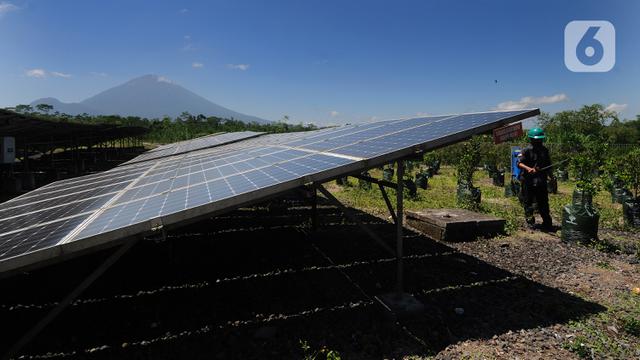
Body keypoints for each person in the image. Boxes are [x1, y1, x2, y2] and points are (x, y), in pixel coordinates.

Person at [517, 128, 554, 230]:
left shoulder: (544, 150)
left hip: (541, 181)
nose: (538, 142)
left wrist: (552, 178)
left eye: (540, 140)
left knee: (543, 202)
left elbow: (548, 166)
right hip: (528, 181)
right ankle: (530, 222)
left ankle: (547, 222)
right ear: (531, 139)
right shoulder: (526, 151)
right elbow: (519, 163)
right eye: (536, 140)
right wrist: (529, 169)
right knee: (528, 201)